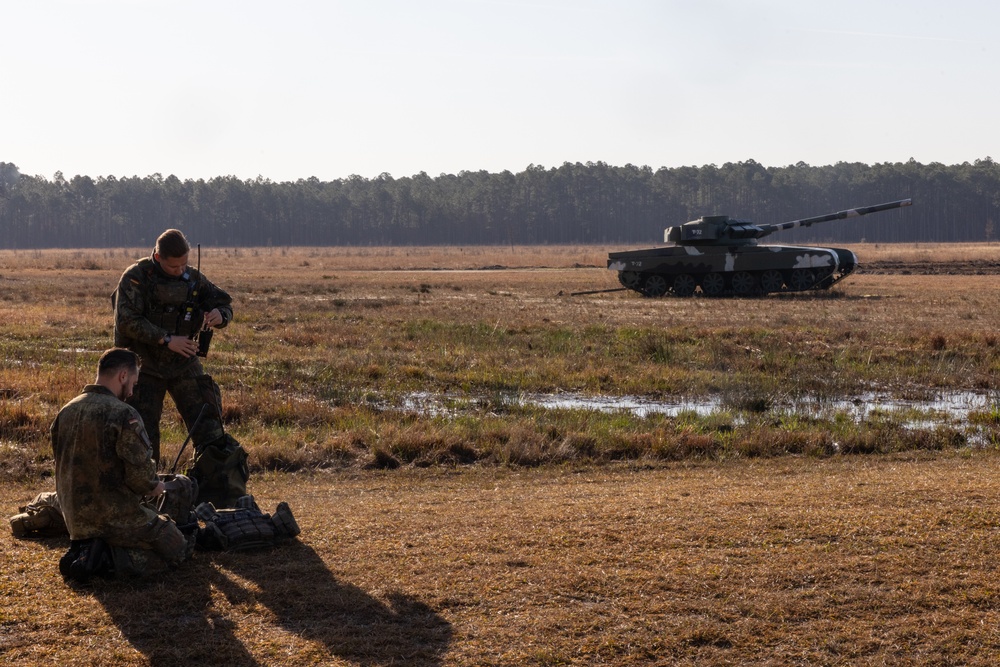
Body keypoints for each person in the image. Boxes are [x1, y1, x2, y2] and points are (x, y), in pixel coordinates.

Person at [113, 228, 248, 508]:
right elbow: (126, 321)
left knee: (209, 426)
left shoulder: (193, 280)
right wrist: (166, 339)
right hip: (142, 368)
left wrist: (219, 316)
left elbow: (224, 303)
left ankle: (218, 497)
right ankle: (143, 504)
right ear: (157, 256)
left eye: (184, 264)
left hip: (185, 363)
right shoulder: (136, 277)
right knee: (142, 437)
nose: (180, 270)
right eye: (173, 266)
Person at [51, 348, 193, 581]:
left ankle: (86, 550)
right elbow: (141, 479)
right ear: (123, 376)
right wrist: (154, 485)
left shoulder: (66, 410)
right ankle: (105, 561)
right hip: (115, 518)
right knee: (178, 547)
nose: (132, 391)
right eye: (134, 383)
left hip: (75, 521)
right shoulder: (123, 414)